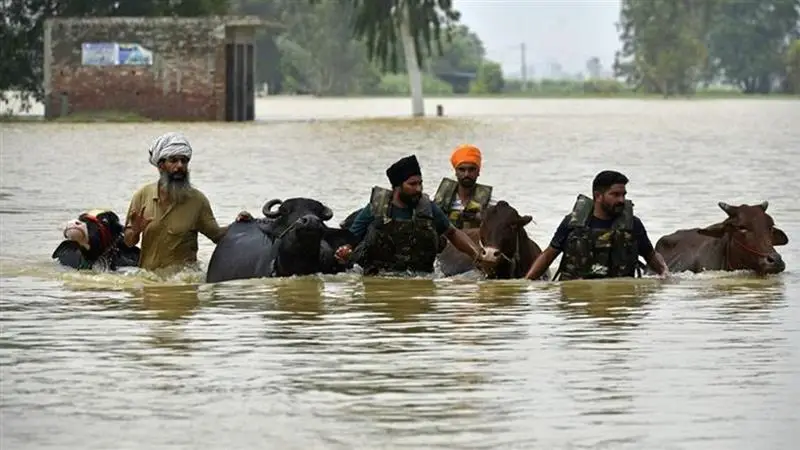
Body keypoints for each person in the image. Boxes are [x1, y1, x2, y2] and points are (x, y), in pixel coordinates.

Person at [335, 154, 489, 275]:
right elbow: (351, 238)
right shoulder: (376, 208)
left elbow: (453, 233)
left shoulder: (428, 207)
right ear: (397, 187)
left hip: (421, 276)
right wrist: (344, 251)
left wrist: (477, 255)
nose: (418, 189)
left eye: (420, 183)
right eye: (412, 184)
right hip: (379, 277)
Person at [123, 132, 251, 272]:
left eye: (184, 161)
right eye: (173, 160)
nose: (180, 166)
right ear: (161, 166)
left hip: (184, 280)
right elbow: (128, 243)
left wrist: (239, 225)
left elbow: (217, 236)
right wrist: (135, 230)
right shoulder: (142, 196)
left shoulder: (197, 201)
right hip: (148, 280)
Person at [524, 170, 669, 281]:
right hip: (578, 300)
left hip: (618, 297)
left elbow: (651, 256)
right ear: (598, 196)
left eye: (623, 195)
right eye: (615, 194)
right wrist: (527, 282)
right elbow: (548, 255)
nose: (621, 200)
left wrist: (666, 277)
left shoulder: (633, 225)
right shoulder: (572, 223)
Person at [432, 144, 494, 229]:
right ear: (456, 172)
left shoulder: (491, 202)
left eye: (471, 169)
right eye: (462, 169)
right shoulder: (439, 198)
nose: (466, 174)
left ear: (478, 171)